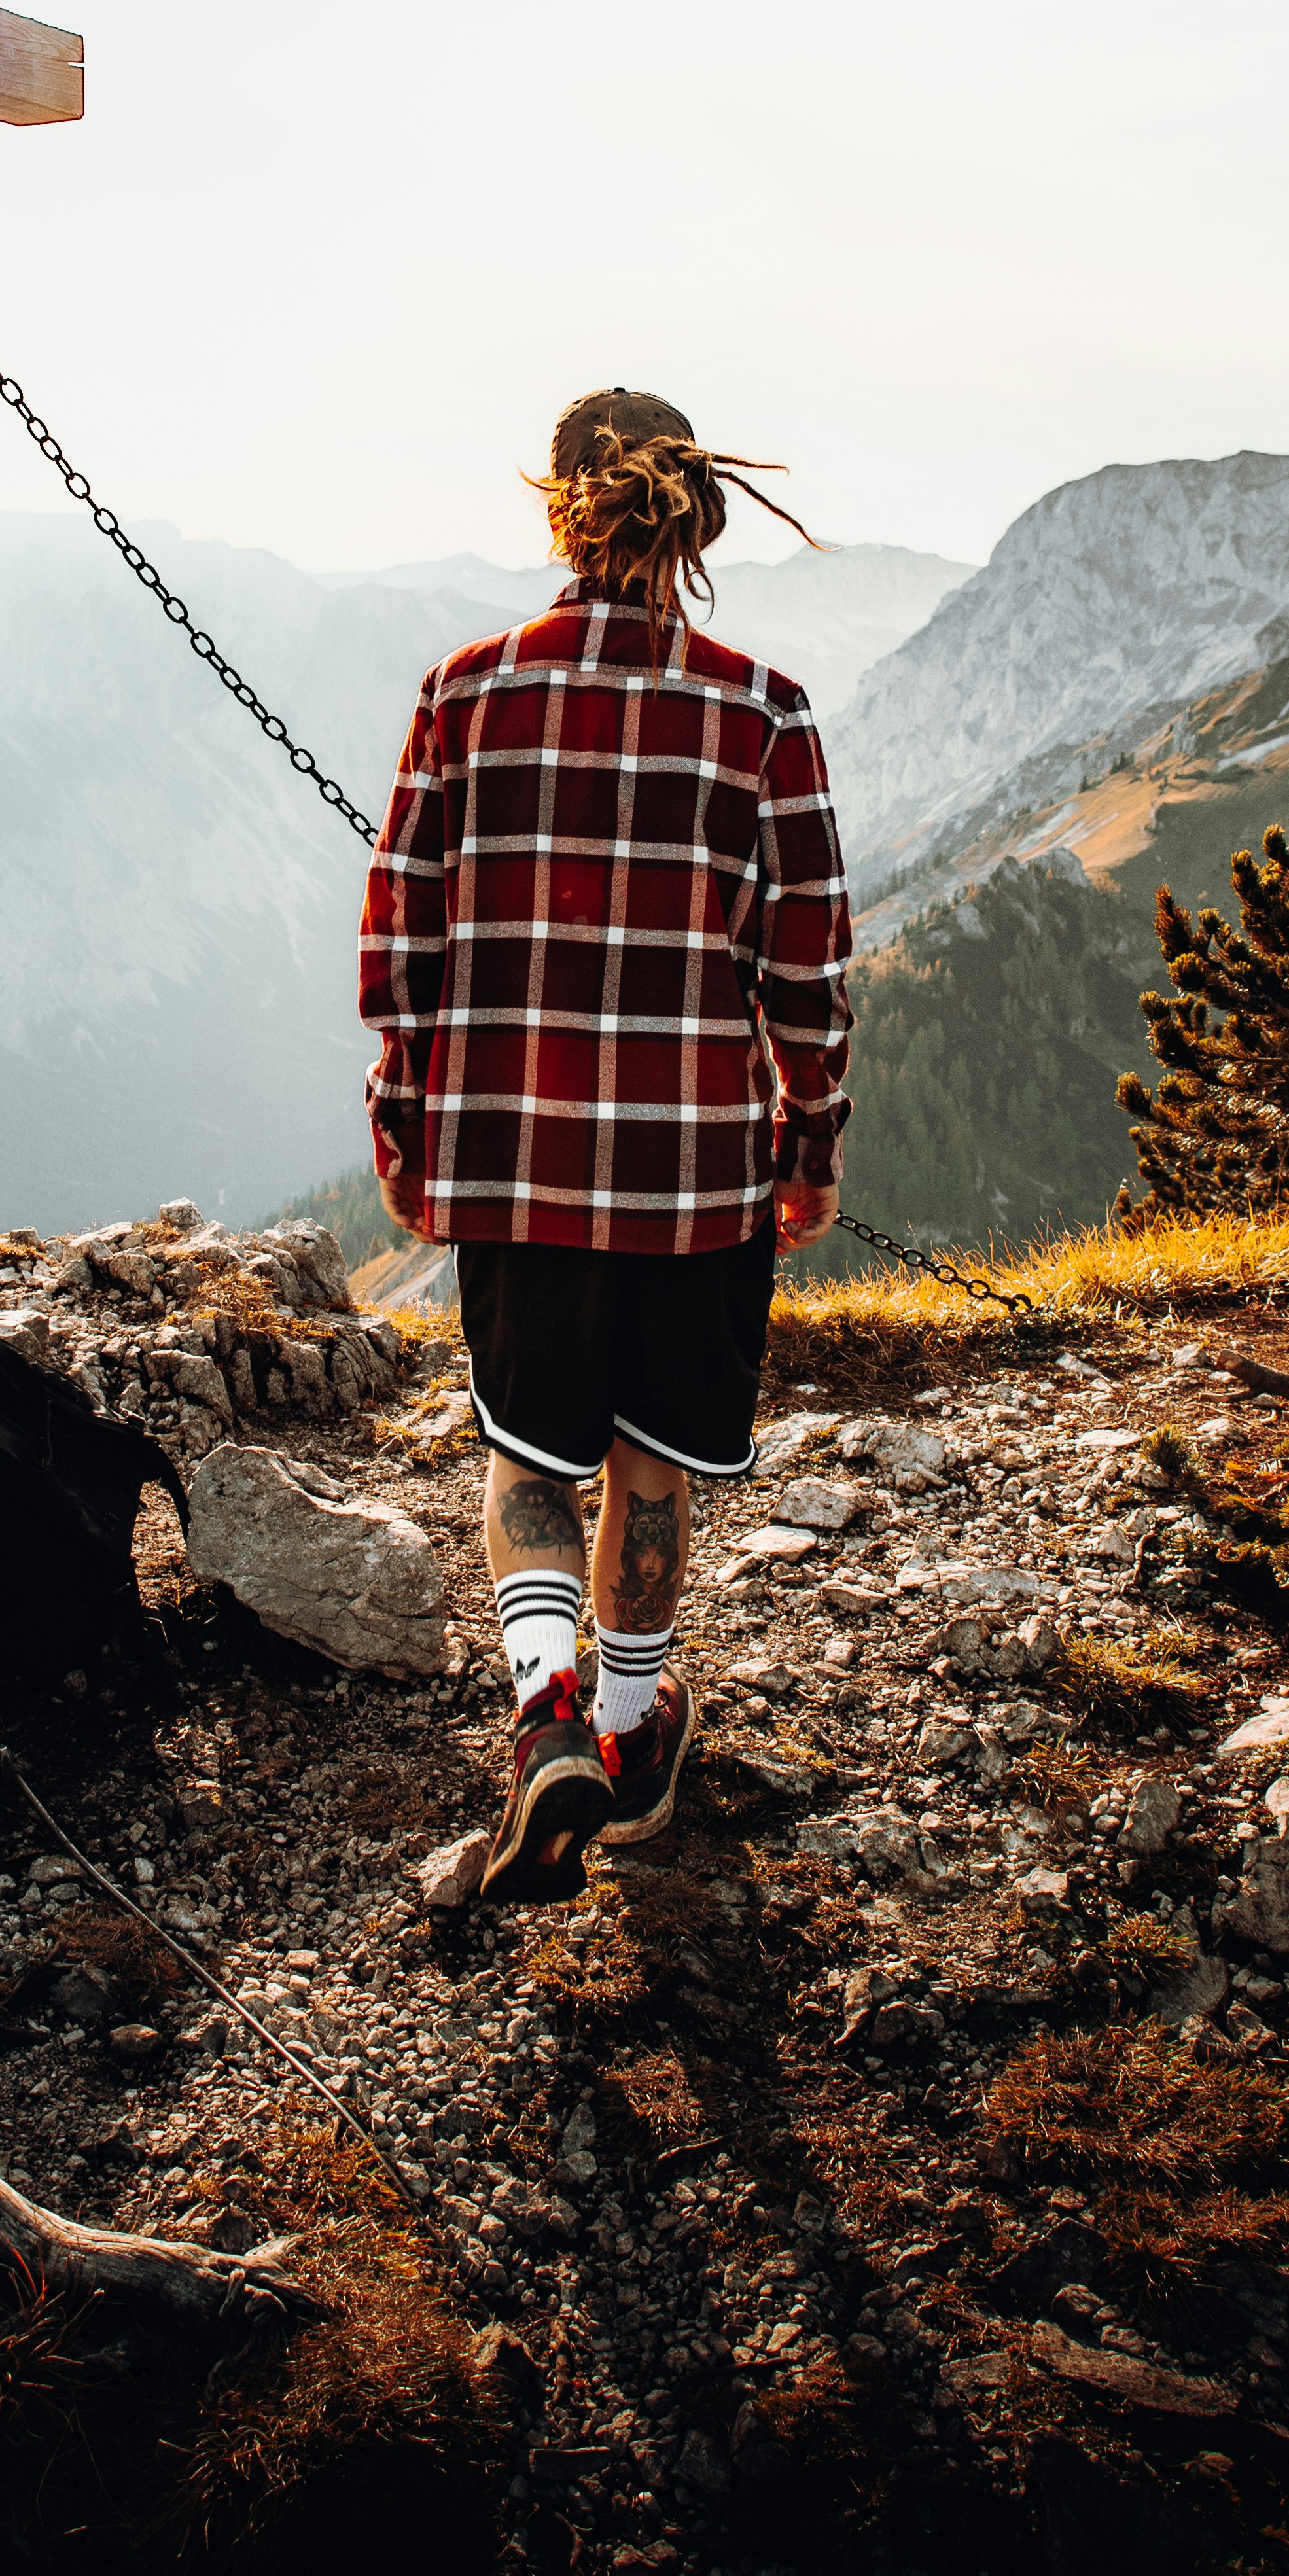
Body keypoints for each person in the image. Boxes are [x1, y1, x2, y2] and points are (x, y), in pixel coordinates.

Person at [359, 387, 855, 1900]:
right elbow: (808, 964)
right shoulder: (761, 709)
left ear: (556, 512)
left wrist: (405, 1114)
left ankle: (541, 1717)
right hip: (698, 1171)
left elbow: (400, 937)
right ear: (696, 520)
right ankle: (632, 1739)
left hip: (514, 1157)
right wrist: (809, 1137)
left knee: (526, 1456)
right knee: (651, 1459)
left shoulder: (465, 689)